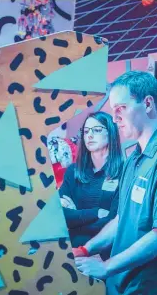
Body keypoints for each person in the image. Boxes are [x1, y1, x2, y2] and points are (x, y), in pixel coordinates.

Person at [73, 71, 157, 295]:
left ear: (148, 103)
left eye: (120, 109)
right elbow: (123, 218)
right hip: (124, 284)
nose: (115, 118)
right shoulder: (135, 157)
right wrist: (85, 249)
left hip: (155, 287)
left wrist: (105, 267)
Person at [59, 111, 123, 260]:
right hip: (70, 254)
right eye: (86, 131)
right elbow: (60, 215)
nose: (89, 135)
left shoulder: (123, 172)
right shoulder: (73, 172)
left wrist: (76, 220)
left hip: (105, 257)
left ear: (111, 133)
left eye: (97, 130)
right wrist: (95, 213)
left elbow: (112, 221)